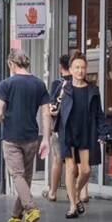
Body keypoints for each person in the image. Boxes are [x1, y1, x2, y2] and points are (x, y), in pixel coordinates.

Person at [0, 50, 48, 222]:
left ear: (11, 65)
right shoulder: (39, 84)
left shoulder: (5, 85)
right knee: (25, 178)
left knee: (17, 176)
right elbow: (46, 113)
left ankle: (31, 209)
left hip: (12, 137)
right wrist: (46, 138)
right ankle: (16, 216)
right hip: (32, 137)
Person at [57, 52, 106, 219]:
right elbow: (52, 106)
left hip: (86, 132)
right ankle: (72, 206)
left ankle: (76, 194)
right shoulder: (63, 88)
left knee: (85, 170)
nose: (80, 71)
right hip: (68, 132)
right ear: (70, 69)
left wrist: (102, 132)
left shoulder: (93, 90)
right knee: (70, 169)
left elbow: (99, 113)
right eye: (77, 67)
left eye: (83, 68)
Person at [43, 57, 69, 203]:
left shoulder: (57, 84)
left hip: (59, 127)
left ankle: (53, 192)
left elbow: (51, 104)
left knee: (57, 159)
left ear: (60, 67)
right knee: (75, 161)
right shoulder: (80, 84)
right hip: (74, 128)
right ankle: (79, 192)